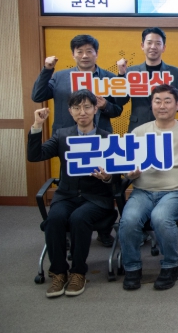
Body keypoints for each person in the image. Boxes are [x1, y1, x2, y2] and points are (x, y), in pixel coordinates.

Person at [32, 34, 124, 247]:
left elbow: (118, 109)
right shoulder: (60, 76)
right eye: (79, 51)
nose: (84, 55)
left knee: (103, 180)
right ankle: (65, 230)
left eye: (89, 51)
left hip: (99, 137)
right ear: (73, 54)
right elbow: (38, 95)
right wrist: (47, 69)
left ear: (96, 53)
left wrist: (105, 106)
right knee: (71, 179)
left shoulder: (109, 78)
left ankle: (103, 229)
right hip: (68, 138)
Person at [27, 90, 118, 298]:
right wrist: (37, 125)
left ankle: (78, 272)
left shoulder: (107, 138)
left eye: (87, 107)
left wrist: (107, 177)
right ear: (70, 111)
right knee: (54, 219)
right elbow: (35, 155)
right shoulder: (62, 135)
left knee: (79, 218)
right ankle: (58, 272)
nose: (82, 112)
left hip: (96, 198)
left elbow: (117, 177)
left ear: (95, 109)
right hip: (66, 196)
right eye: (76, 108)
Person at [119, 84, 178, 291]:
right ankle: (132, 268)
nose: (162, 106)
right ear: (151, 104)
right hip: (143, 191)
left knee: (160, 217)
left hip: (175, 192)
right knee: (129, 220)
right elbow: (125, 166)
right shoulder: (139, 132)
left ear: (177, 105)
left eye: (168, 101)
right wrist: (129, 174)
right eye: (157, 101)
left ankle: (170, 266)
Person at [116, 27, 178, 132]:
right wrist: (121, 75)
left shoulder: (175, 73)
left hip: (166, 127)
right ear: (142, 46)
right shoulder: (131, 72)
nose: (153, 47)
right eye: (149, 43)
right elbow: (120, 101)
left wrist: (169, 105)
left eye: (158, 43)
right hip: (138, 127)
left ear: (163, 47)